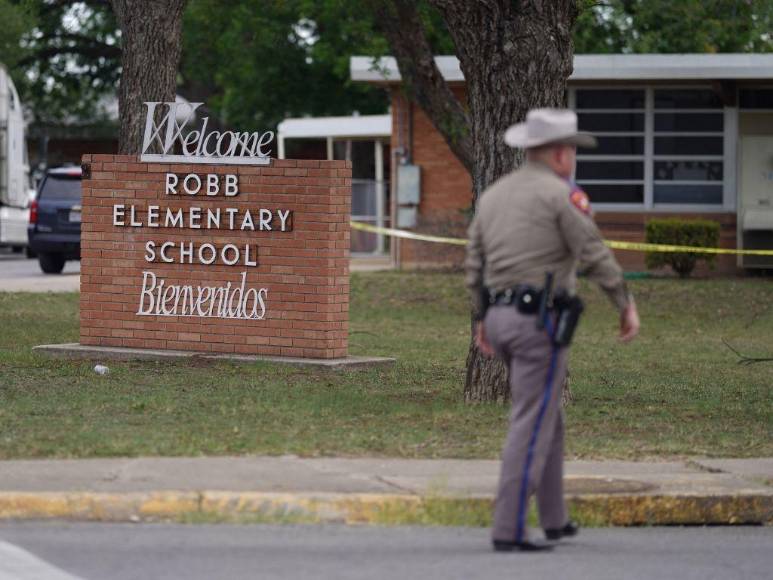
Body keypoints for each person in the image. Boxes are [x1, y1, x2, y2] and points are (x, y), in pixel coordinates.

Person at [464, 108, 640, 552]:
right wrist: (625, 304)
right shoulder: (561, 195)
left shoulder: (494, 195)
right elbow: (593, 252)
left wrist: (483, 318)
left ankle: (555, 519)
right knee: (530, 420)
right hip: (536, 323)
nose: (574, 159)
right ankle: (508, 528)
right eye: (574, 151)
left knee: (547, 416)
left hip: (500, 319)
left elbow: (474, 264)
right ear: (561, 153)